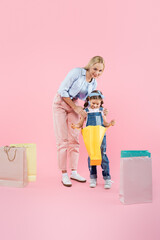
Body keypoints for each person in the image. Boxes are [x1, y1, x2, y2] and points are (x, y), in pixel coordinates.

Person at [52, 56, 105, 187]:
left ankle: (73, 172)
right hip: (60, 103)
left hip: (74, 104)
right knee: (63, 140)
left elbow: (89, 101)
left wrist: (100, 110)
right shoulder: (76, 72)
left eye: (100, 71)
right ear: (90, 65)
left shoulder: (93, 83)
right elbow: (62, 91)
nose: (96, 73)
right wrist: (76, 107)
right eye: (95, 69)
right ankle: (64, 174)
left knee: (75, 140)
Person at [71, 90, 115, 189]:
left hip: (101, 137)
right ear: (89, 100)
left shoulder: (101, 111)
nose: (95, 105)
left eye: (97, 103)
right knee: (92, 155)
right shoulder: (86, 111)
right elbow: (80, 123)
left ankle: (107, 178)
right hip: (90, 137)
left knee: (102, 155)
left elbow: (105, 124)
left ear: (100, 102)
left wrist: (110, 123)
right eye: (93, 103)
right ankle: (93, 178)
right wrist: (76, 126)